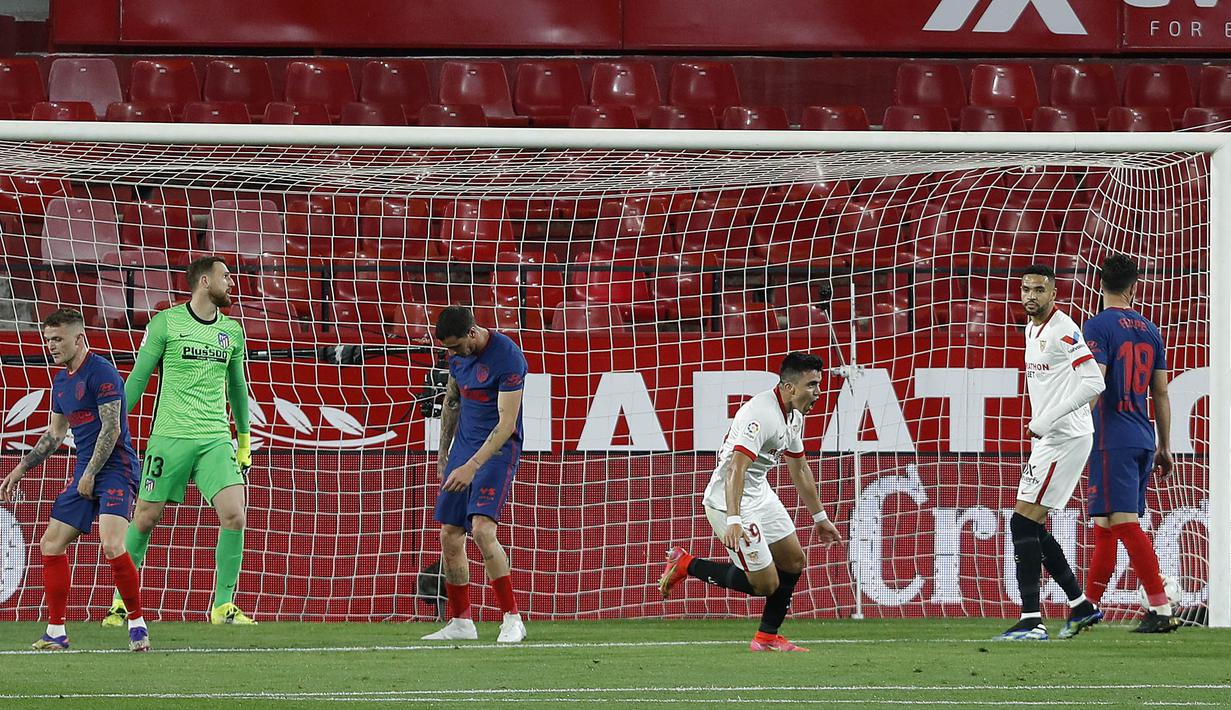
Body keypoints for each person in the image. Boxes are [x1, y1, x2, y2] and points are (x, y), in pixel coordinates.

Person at [101, 256, 255, 626]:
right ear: (204, 281)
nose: (232, 283)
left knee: (235, 514)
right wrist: (110, 426)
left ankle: (222, 607)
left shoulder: (232, 332)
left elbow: (237, 387)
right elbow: (137, 379)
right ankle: (122, 602)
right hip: (170, 437)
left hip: (215, 438)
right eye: (226, 276)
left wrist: (243, 439)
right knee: (145, 518)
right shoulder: (166, 323)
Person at [658, 352, 842, 652]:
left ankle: (767, 637)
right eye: (812, 385)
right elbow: (736, 468)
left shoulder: (793, 416)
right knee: (765, 585)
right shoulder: (763, 414)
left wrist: (820, 518)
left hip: (759, 494)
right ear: (790, 387)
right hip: (727, 501)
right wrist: (734, 519)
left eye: (819, 384)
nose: (818, 392)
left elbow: (800, 468)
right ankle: (686, 564)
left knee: (794, 561)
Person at [0, 309, 149, 651]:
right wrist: (20, 469)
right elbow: (54, 434)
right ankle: (56, 632)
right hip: (86, 469)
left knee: (112, 544)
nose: (51, 345)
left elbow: (111, 429)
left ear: (79, 338)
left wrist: (92, 472)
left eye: (58, 339)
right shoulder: (61, 381)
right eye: (48, 339)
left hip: (116, 468)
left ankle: (137, 624)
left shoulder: (103, 373)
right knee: (50, 544)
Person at [1001, 264, 1105, 641]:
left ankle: (1032, 620)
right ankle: (1080, 606)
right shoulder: (1031, 328)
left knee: (1021, 522)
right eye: (1025, 289)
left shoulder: (1064, 329)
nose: (1030, 296)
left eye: (1038, 290)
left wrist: (1048, 418)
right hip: (1050, 438)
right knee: (1030, 524)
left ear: (1053, 294)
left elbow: (1095, 381)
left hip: (1066, 436)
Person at [1081, 254, 1180, 633]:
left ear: (1099, 283)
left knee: (1124, 524)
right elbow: (1162, 393)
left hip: (1112, 437)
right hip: (1143, 436)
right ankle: (1087, 607)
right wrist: (1165, 445)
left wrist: (1069, 424)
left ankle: (1159, 607)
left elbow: (1096, 382)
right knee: (1106, 523)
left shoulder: (1098, 326)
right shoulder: (1151, 330)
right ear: (1134, 287)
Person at [421, 305, 529, 643]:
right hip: (463, 449)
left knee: (482, 530)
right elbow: (452, 400)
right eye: (447, 349)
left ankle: (512, 618)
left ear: (472, 332)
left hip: (498, 450)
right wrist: (444, 454)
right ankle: (461, 622)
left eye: (455, 346)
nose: (452, 354)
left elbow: (506, 424)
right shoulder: (456, 356)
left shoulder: (508, 358)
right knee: (450, 535)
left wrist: (471, 466)